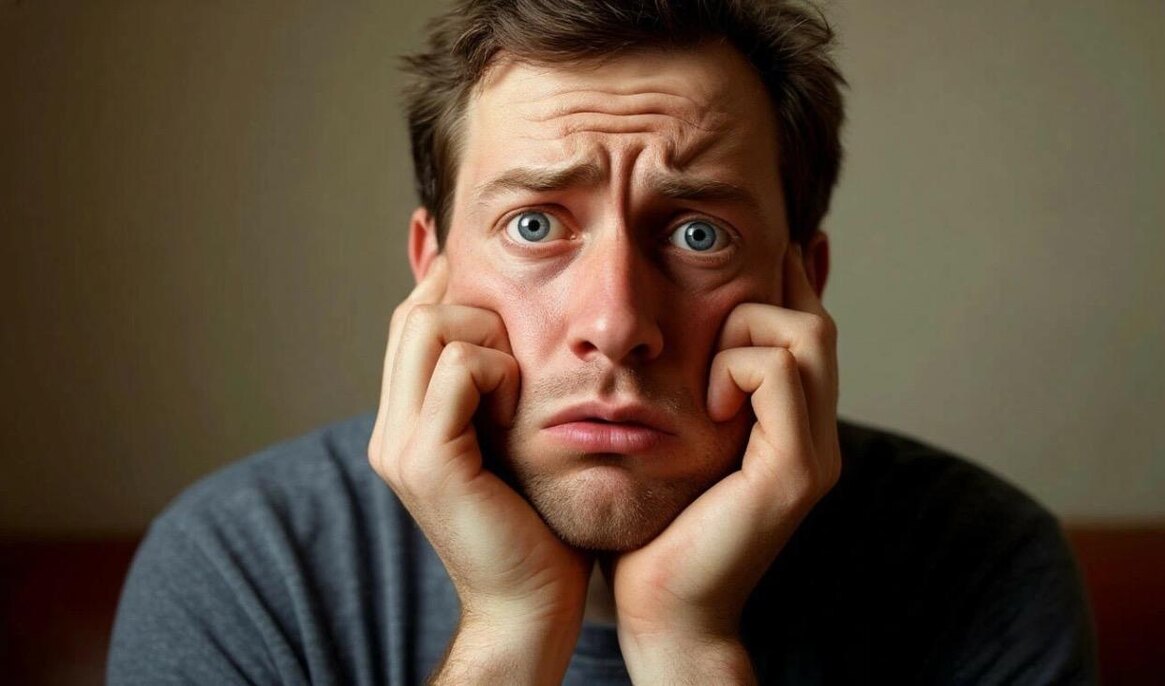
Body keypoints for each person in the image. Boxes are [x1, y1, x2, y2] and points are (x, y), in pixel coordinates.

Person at [108, 1, 1097, 683]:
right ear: (431, 269)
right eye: (536, 223)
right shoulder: (246, 567)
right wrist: (508, 629)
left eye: (699, 233)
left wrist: (689, 647)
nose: (617, 325)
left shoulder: (982, 564)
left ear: (804, 282)